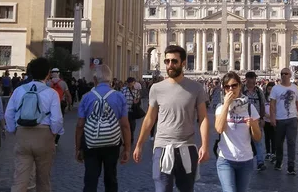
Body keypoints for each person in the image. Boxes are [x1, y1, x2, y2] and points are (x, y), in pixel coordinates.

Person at [133, 45, 209, 192]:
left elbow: (203, 118)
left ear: (183, 63)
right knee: (162, 189)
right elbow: (150, 118)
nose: (170, 65)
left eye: (174, 61)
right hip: (162, 147)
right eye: (167, 61)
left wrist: (205, 145)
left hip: (187, 146)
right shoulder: (156, 88)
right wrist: (139, 144)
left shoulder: (196, 87)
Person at [5, 57, 64, 192]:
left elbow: (8, 114)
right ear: (48, 73)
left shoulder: (19, 91)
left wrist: (15, 130)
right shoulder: (51, 93)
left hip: (22, 134)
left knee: (19, 180)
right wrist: (53, 133)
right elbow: (57, 120)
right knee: (43, 181)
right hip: (44, 136)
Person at [75, 64, 131, 192]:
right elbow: (125, 125)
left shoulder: (86, 97)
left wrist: (78, 148)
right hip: (112, 143)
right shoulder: (119, 96)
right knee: (111, 177)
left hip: (90, 143)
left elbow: (79, 125)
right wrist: (127, 148)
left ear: (95, 79)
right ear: (110, 80)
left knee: (90, 178)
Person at [215, 72, 262, 192]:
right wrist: (226, 104)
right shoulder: (220, 108)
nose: (231, 89)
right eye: (227, 87)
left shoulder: (250, 108)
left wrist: (253, 125)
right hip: (225, 159)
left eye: (234, 85)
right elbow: (219, 129)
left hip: (246, 160)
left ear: (240, 86)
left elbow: (257, 137)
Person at [270, 67, 298, 175]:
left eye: (286, 73)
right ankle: (279, 161)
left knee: (291, 143)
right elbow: (272, 104)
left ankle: (291, 166)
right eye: (282, 73)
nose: (284, 75)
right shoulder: (275, 88)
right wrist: (272, 117)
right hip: (279, 119)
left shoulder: (295, 88)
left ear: (290, 75)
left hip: (292, 119)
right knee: (279, 143)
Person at [242, 71, 266, 171]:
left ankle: (260, 162)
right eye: (251, 78)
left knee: (258, 140)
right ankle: (243, 160)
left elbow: (262, 105)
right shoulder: (242, 91)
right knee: (243, 141)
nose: (252, 81)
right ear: (246, 79)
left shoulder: (259, 92)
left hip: (256, 120)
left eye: (254, 78)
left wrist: (262, 118)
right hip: (243, 120)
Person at [47, 68, 72, 146]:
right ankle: (56, 140)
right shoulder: (63, 83)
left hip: (50, 104)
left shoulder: (48, 83)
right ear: (58, 73)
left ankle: (50, 138)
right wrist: (69, 105)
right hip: (60, 104)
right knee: (59, 121)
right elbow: (68, 95)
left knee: (49, 120)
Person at [121, 77, 140, 145]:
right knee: (125, 126)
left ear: (133, 83)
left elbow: (138, 98)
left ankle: (131, 138)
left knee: (132, 126)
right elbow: (121, 98)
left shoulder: (136, 90)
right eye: (128, 83)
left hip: (132, 111)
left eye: (131, 83)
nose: (130, 84)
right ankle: (126, 140)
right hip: (125, 112)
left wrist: (136, 101)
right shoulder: (123, 90)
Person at [263, 81, 276, 163]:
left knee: (273, 137)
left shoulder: (276, 98)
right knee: (267, 137)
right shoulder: (264, 97)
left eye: (272, 89)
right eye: (269, 89)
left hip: (273, 119)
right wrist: (264, 114)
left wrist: (273, 116)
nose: (270, 90)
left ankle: (273, 153)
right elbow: (261, 107)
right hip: (266, 120)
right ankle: (268, 152)